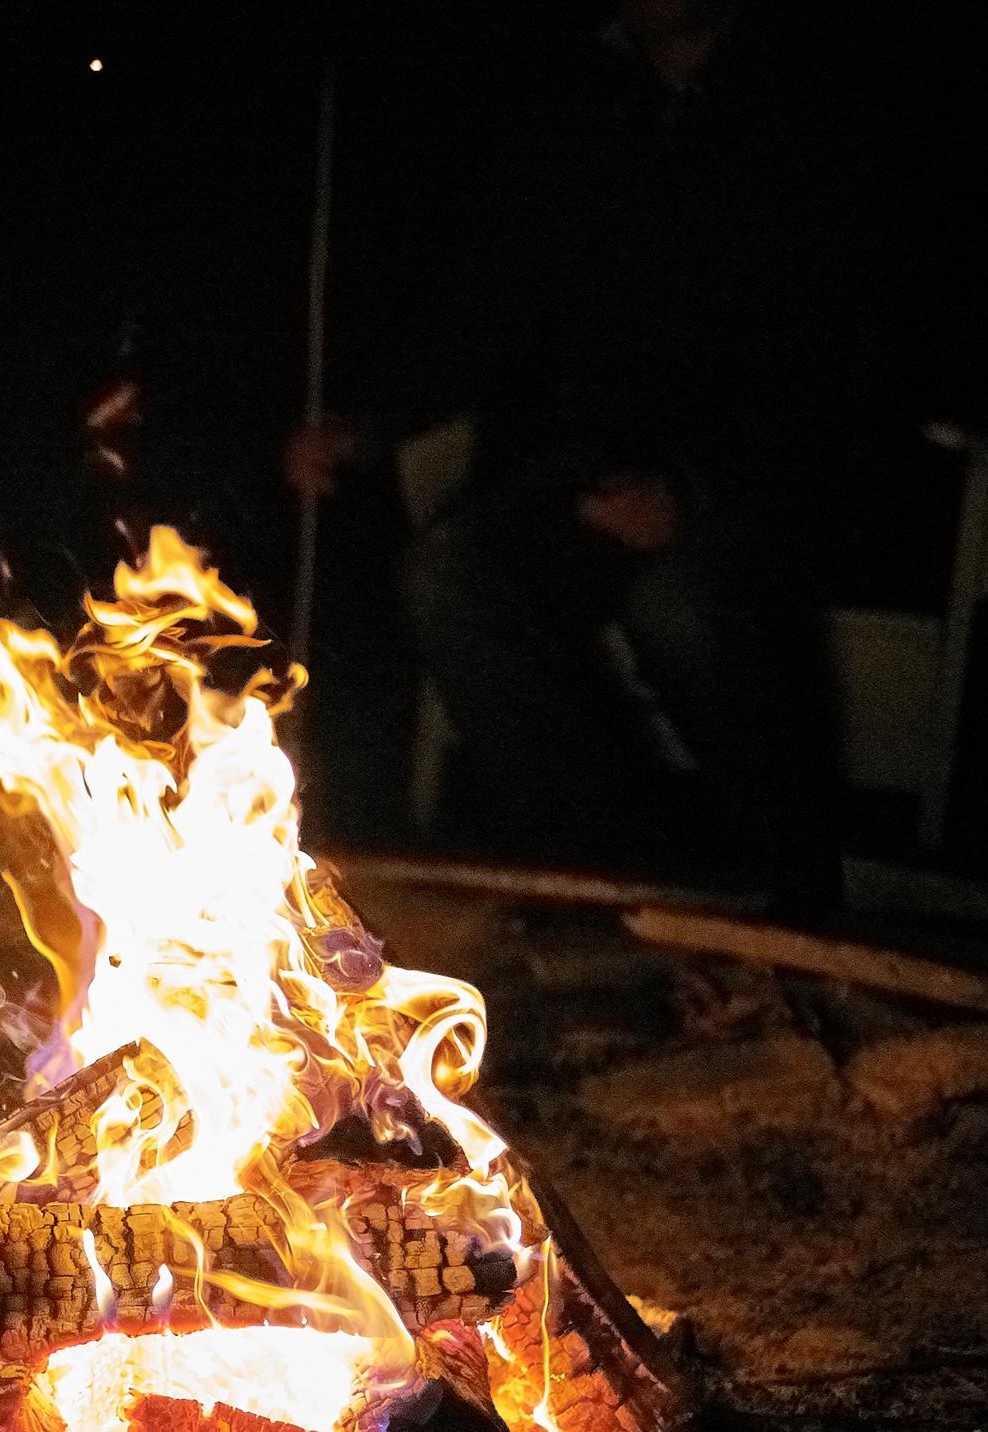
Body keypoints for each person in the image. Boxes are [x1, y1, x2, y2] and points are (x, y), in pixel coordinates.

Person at [293, 0, 899, 881]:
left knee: (680, 606)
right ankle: (603, 864)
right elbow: (494, 304)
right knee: (451, 573)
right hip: (586, 465)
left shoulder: (811, 106)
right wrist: (375, 420)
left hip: (760, 473)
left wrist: (695, 489)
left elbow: (847, 360)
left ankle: (786, 876)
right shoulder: (588, 106)